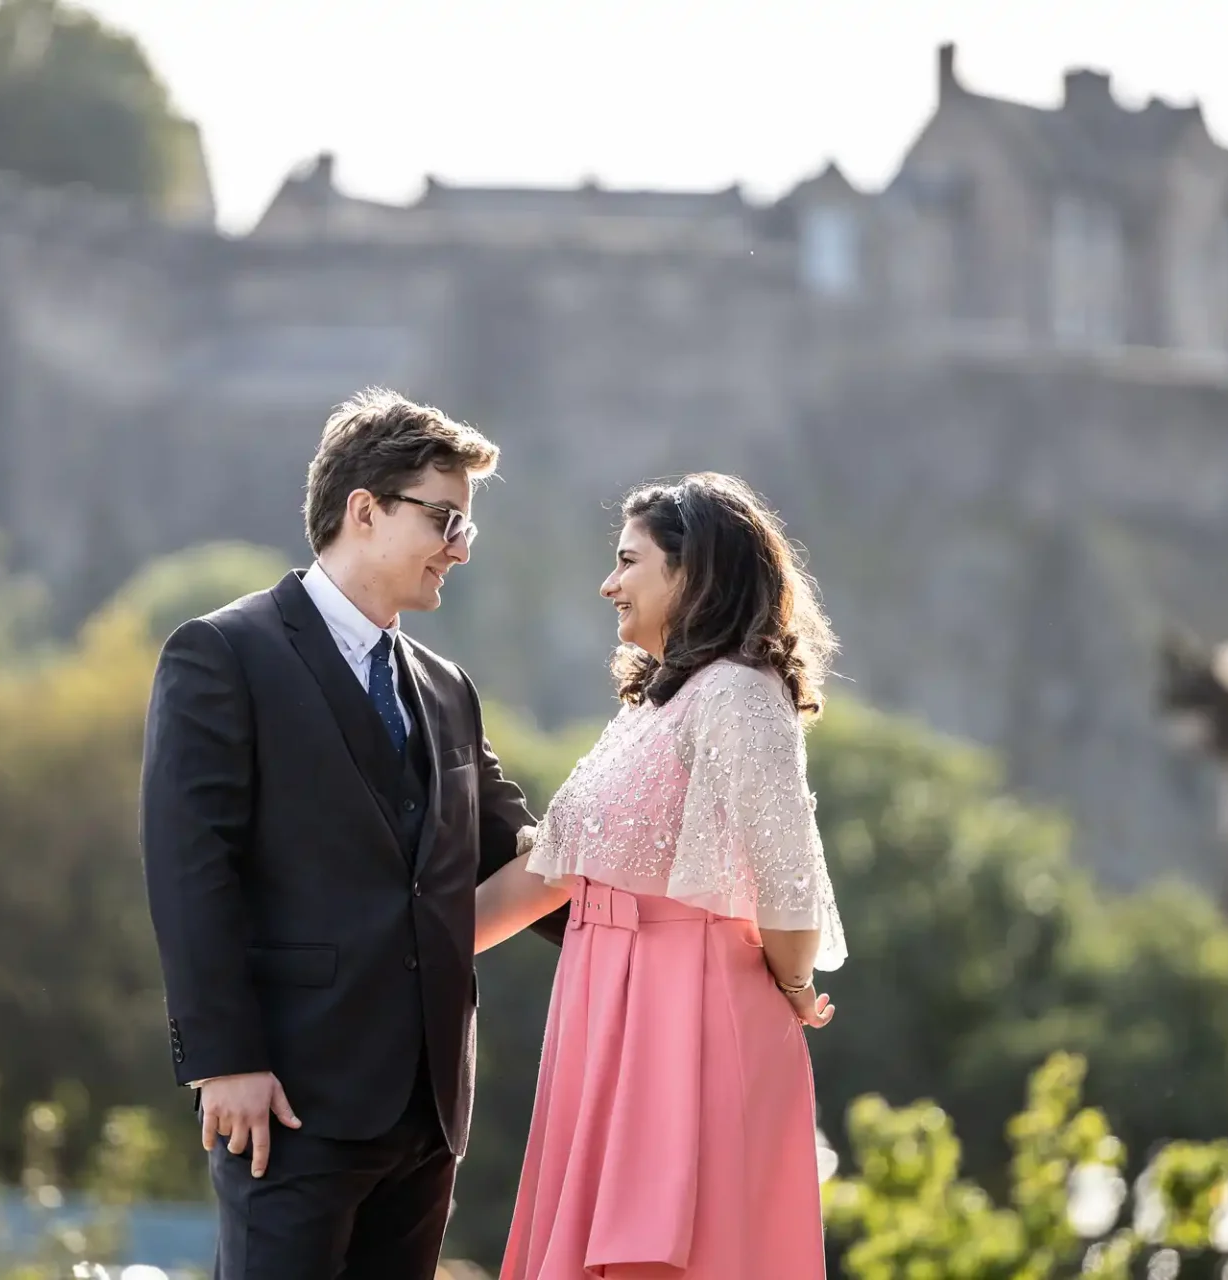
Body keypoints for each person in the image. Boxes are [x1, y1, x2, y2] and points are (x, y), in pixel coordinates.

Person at [140, 388, 566, 1280]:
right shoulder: (223, 654)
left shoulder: (449, 688)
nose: (458, 547)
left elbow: (525, 853)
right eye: (444, 519)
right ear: (363, 511)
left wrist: (684, 915)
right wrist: (227, 1061)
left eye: (467, 528)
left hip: (429, 1111)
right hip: (286, 1098)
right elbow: (191, 869)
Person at [475, 472, 846, 1280]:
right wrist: (411, 946)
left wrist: (788, 988)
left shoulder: (742, 695)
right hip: (601, 1002)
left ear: (693, 571)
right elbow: (550, 871)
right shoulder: (650, 708)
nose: (609, 584)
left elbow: (787, 882)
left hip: (690, 1013)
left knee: (670, 1249)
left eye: (627, 561)